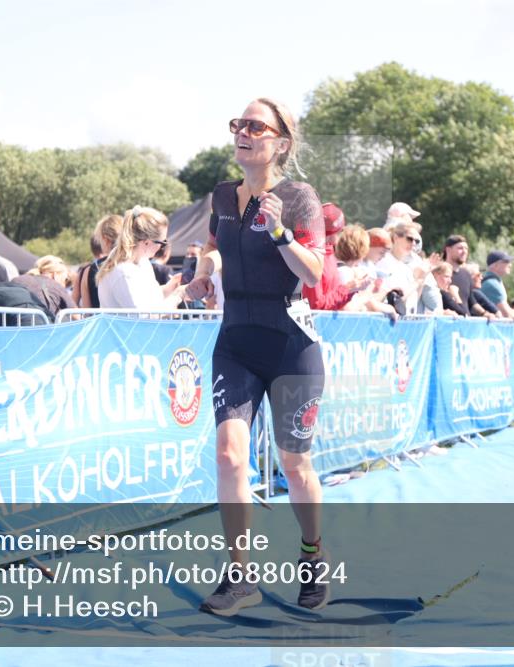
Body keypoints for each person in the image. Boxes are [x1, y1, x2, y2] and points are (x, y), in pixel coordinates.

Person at [183, 98, 328, 615]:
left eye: (255, 125)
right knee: (229, 455)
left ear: (280, 143)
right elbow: (216, 245)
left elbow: (313, 273)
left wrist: (280, 233)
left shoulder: (299, 197)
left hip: (291, 345)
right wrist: (203, 273)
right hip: (236, 340)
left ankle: (312, 556)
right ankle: (239, 576)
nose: (242, 132)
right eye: (237, 124)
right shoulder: (223, 195)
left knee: (295, 464)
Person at [96, 206, 184, 309]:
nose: (161, 247)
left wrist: (171, 287)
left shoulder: (143, 262)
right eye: (162, 242)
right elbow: (143, 316)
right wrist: (179, 295)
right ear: (146, 242)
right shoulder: (123, 271)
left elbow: (151, 299)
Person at [302, 203, 353, 310]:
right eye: (341, 230)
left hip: (328, 324)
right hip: (318, 324)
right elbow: (316, 306)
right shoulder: (313, 256)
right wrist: (349, 289)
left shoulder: (329, 252)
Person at [10, 255, 77, 320]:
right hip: (43, 329)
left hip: (13, 328)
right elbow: (77, 316)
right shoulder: (55, 285)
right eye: (65, 280)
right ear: (55, 275)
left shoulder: (16, 280)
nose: (65, 285)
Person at [480, 250, 514, 322]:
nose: (510, 265)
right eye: (506, 261)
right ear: (495, 265)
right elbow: (506, 314)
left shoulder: (492, 281)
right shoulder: (492, 284)